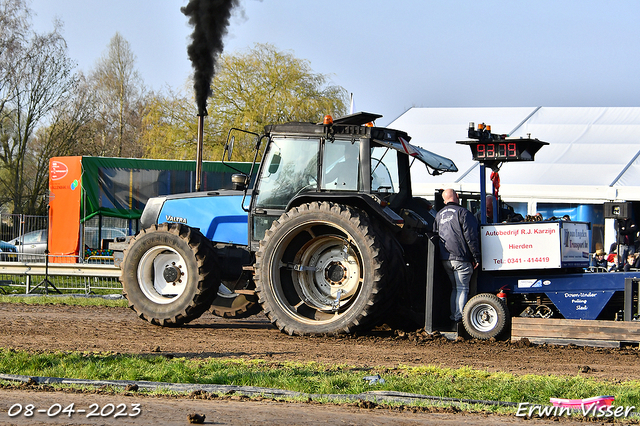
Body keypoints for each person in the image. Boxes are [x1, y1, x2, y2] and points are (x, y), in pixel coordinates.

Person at [433, 188, 481, 326]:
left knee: (455, 288)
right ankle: (459, 319)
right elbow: (471, 237)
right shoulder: (464, 213)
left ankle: (454, 316)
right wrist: (476, 257)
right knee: (462, 289)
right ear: (457, 196)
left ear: (444, 200)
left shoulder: (439, 215)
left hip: (446, 259)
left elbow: (436, 234)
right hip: (461, 258)